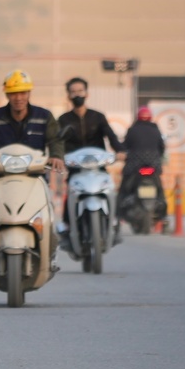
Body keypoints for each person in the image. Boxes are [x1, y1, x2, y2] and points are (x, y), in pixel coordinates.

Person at [57, 77, 126, 249]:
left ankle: (115, 223)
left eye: (80, 91)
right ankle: (66, 227)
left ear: (87, 93)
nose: (77, 94)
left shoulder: (98, 117)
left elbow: (111, 136)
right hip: (75, 168)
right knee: (71, 191)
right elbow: (56, 142)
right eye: (73, 92)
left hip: (98, 167)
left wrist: (120, 151)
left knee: (109, 189)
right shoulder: (63, 120)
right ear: (68, 96)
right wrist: (56, 156)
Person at [0, 70, 64, 172]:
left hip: (35, 176)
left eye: (23, 93)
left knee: (48, 189)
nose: (18, 98)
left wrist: (56, 156)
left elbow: (55, 140)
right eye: (13, 93)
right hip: (0, 176)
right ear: (7, 95)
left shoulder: (44, 117)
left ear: (29, 93)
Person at [120, 106, 167, 213]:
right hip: (153, 165)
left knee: (124, 188)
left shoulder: (132, 130)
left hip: (134, 166)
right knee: (159, 189)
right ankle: (163, 215)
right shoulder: (156, 130)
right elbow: (162, 147)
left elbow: (125, 146)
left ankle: (118, 214)